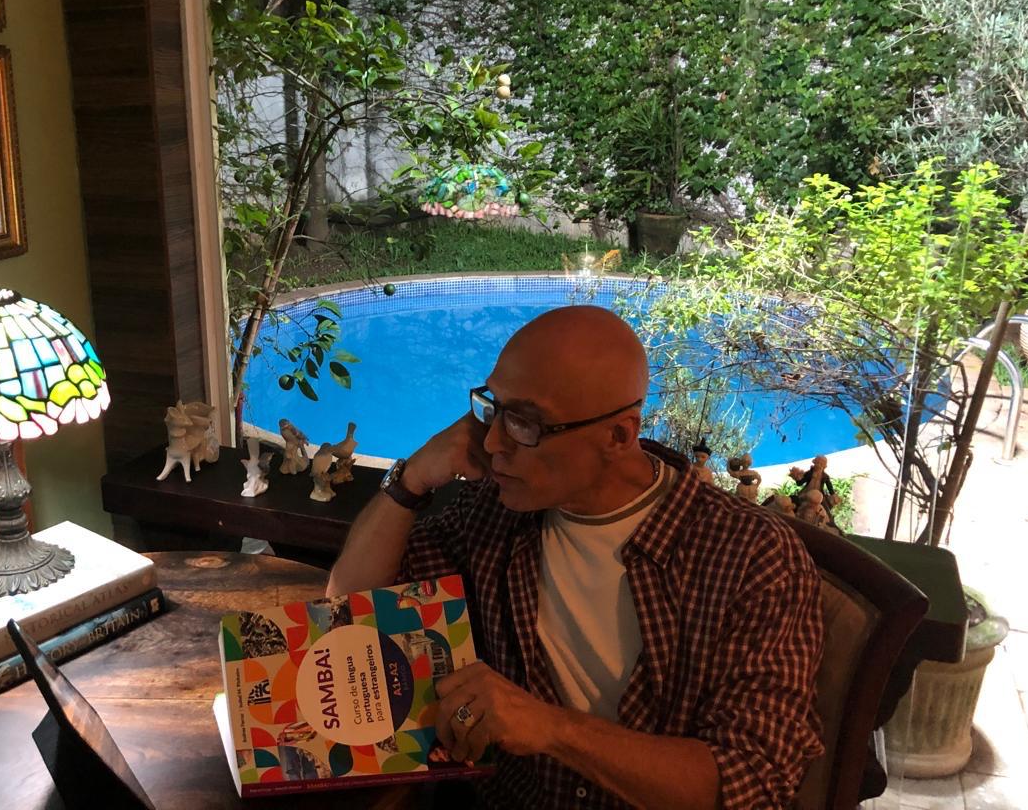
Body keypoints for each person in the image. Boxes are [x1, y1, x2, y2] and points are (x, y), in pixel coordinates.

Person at [327, 307, 823, 810]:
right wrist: (410, 480)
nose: (492, 442)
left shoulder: (751, 557)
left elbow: (751, 781)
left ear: (618, 437)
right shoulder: (494, 511)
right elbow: (348, 614)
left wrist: (551, 729)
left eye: (525, 423)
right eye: (493, 407)